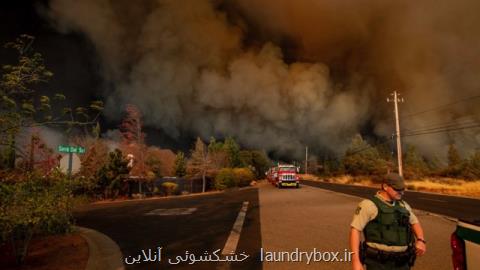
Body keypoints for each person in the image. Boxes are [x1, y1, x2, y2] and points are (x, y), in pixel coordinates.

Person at [349, 173, 427, 270]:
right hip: (378, 263)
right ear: (385, 186)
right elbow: (355, 231)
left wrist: (421, 240)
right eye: (397, 190)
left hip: (402, 262)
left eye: (402, 190)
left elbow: (415, 222)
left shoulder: (404, 205)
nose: (401, 193)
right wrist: (356, 261)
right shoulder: (369, 205)